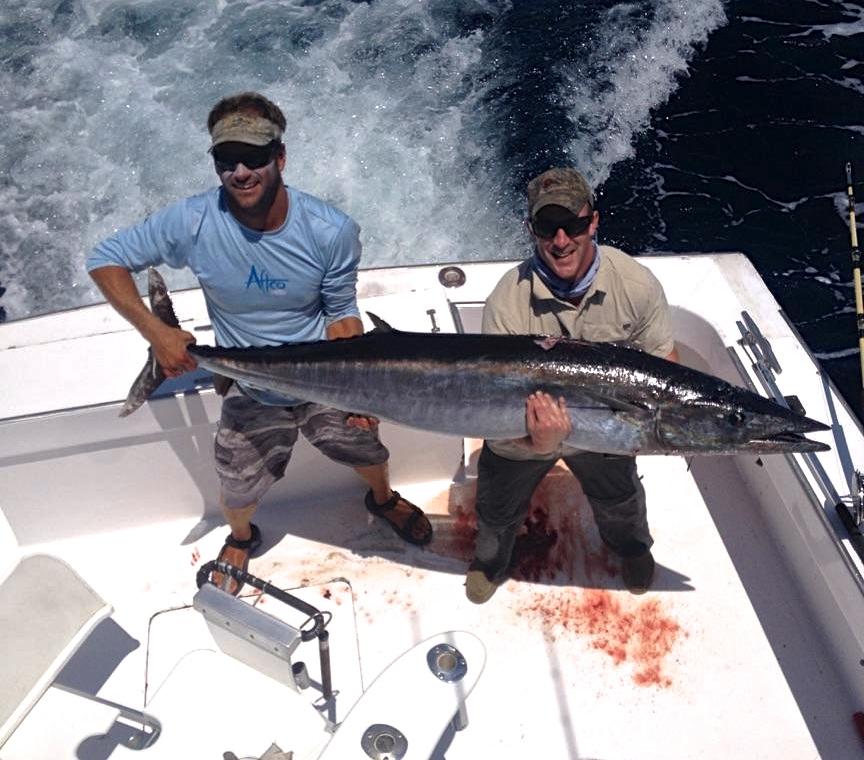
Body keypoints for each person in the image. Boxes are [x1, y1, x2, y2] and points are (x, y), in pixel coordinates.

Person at [87, 92, 432, 594]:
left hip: (325, 379)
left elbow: (340, 311)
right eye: (227, 161)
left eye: (254, 158)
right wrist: (157, 332)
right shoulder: (193, 221)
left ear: (281, 158)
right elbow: (106, 258)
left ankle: (380, 499)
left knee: (368, 450)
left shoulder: (329, 230)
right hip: (250, 388)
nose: (240, 172)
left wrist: (361, 391)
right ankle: (242, 537)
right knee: (237, 485)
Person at [465, 167, 679, 603]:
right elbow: (497, 402)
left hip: (604, 434)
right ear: (531, 229)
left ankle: (631, 547)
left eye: (574, 225)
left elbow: (664, 366)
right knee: (496, 510)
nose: (561, 240)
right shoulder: (507, 302)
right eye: (547, 227)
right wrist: (541, 440)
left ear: (594, 221)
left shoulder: (636, 286)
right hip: (520, 438)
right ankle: (491, 560)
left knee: (621, 500)